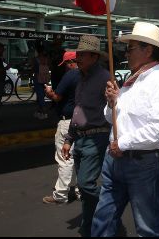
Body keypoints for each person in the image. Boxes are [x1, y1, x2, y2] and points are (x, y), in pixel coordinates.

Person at [92, 22, 159, 237]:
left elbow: (158, 129)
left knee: (147, 226)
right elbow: (112, 119)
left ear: (148, 50)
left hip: (143, 162)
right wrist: (112, 103)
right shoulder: (131, 82)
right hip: (114, 159)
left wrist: (121, 143)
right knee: (103, 218)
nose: (126, 53)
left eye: (130, 49)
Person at [59, 36, 111, 237]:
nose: (78, 58)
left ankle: (110, 204)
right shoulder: (81, 78)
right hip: (80, 139)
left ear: (94, 56)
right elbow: (78, 111)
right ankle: (89, 226)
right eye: (77, 54)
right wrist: (69, 139)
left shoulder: (105, 77)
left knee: (85, 184)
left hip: (97, 138)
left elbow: (116, 109)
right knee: (85, 192)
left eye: (82, 55)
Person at [43, 51, 79, 205]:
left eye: (65, 64)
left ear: (70, 62)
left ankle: (61, 194)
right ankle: (81, 190)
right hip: (84, 120)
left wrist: (49, 92)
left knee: (65, 157)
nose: (64, 68)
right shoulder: (88, 75)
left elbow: (57, 97)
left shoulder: (70, 75)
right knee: (79, 158)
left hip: (67, 121)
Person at [33, 47, 51, 119]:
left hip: (38, 79)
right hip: (45, 79)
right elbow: (50, 66)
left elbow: (33, 69)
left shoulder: (36, 59)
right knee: (42, 96)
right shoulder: (47, 59)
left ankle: (44, 112)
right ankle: (39, 111)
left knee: (40, 96)